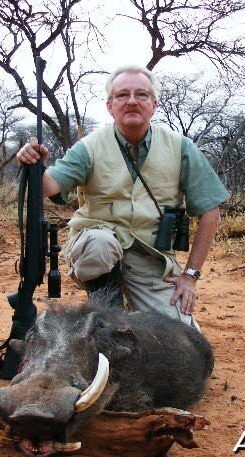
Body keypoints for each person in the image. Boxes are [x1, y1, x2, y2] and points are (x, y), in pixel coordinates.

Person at [16, 65, 229, 330]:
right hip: (98, 249)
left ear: (154, 104)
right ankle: (106, 309)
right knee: (100, 243)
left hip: (150, 258)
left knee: (183, 338)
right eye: (122, 95)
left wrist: (190, 276)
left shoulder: (180, 147)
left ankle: (124, 315)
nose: (131, 101)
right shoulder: (89, 147)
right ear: (110, 106)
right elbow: (50, 185)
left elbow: (210, 211)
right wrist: (34, 163)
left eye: (141, 95)